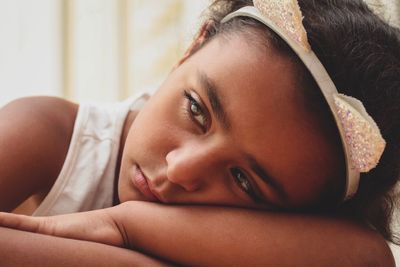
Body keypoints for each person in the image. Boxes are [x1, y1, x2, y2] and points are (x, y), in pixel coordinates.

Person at [0, 0, 399, 266]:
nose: (179, 168)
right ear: (190, 49)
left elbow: (368, 257)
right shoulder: (52, 138)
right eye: (196, 109)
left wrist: (128, 227)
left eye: (243, 180)